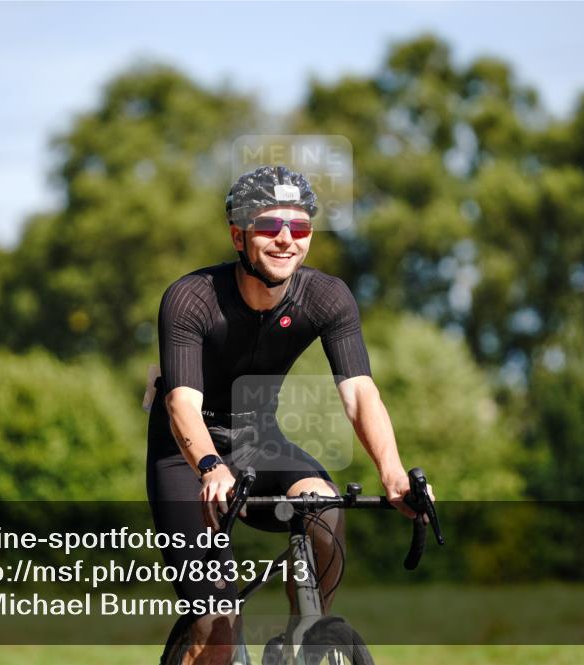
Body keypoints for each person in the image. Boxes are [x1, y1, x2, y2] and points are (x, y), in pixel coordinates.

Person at [146, 165, 432, 665]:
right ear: (238, 235)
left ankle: (308, 634)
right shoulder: (190, 299)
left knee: (324, 506)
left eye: (299, 228)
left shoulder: (326, 297)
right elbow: (180, 404)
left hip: (259, 443)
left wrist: (392, 474)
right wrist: (211, 467)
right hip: (187, 458)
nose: (285, 240)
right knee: (217, 625)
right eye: (269, 227)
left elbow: (360, 392)